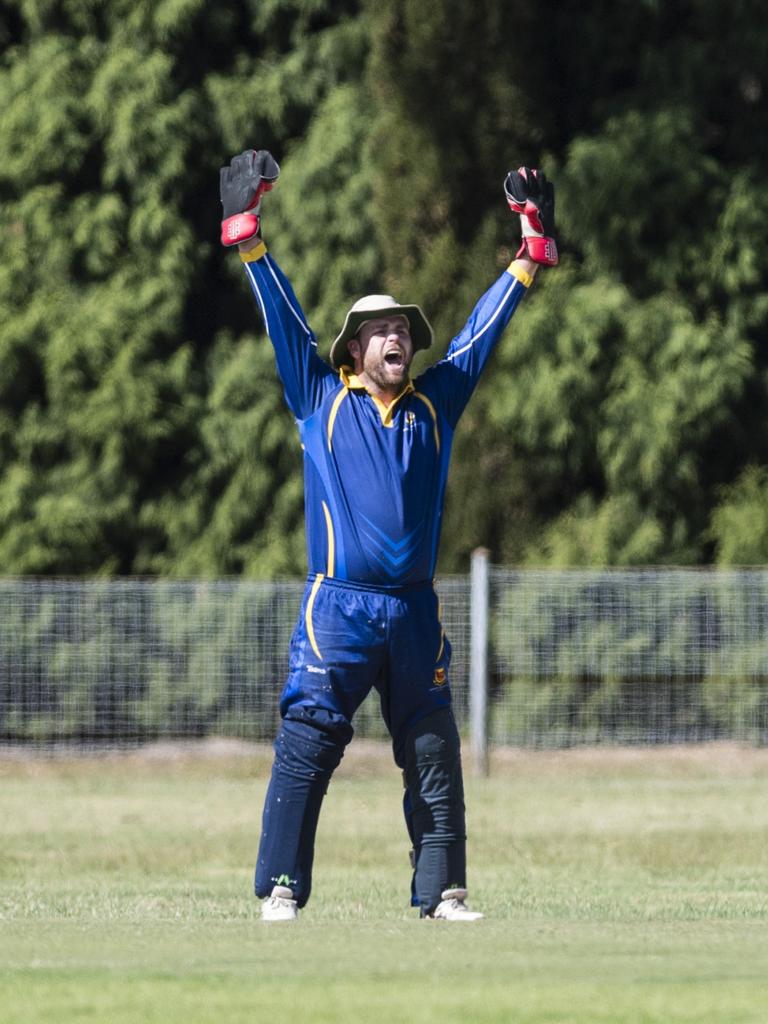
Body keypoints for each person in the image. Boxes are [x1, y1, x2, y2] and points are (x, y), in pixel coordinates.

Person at [218, 150, 558, 922]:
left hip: (411, 614)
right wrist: (249, 239)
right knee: (307, 745)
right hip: (335, 611)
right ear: (355, 351)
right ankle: (281, 889)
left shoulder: (436, 405)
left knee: (433, 752)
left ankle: (441, 891)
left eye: (402, 328)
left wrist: (529, 257)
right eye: (379, 330)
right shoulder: (320, 401)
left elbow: (478, 333)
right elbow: (283, 319)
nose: (395, 336)